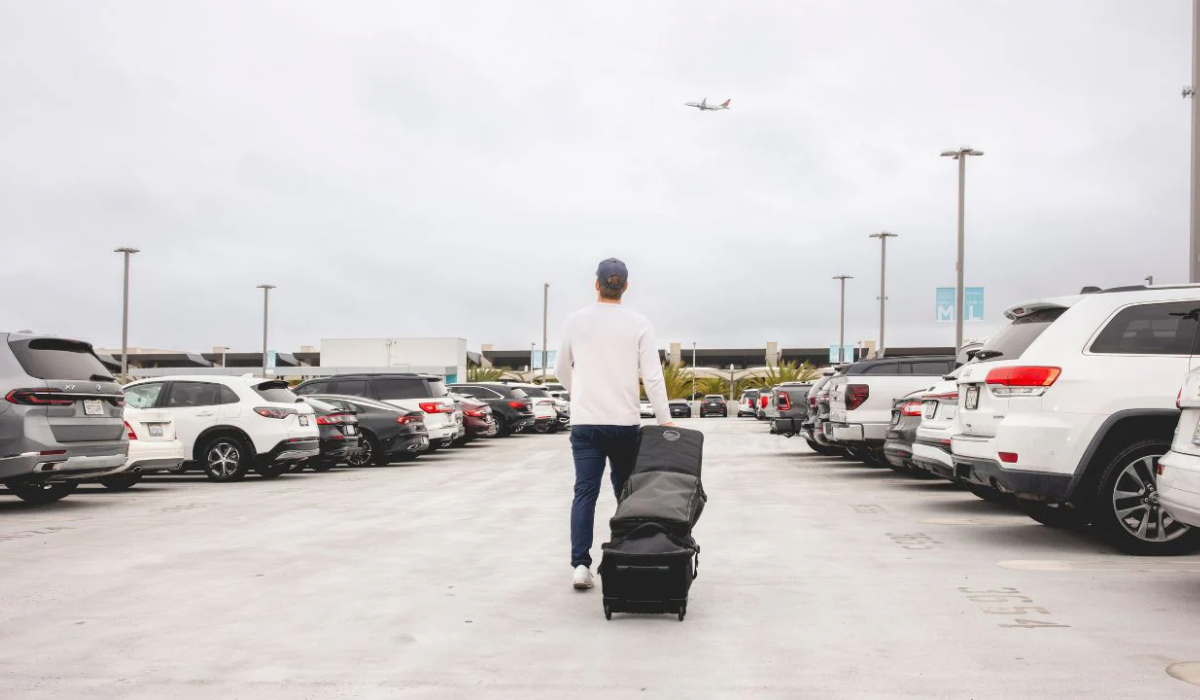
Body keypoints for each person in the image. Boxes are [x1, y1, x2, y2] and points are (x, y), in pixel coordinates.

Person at [556, 258, 675, 590]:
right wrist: (665, 419)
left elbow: (560, 370)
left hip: (586, 423)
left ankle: (581, 565)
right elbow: (653, 377)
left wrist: (579, 393)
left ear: (596, 285)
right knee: (627, 492)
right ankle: (629, 555)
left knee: (585, 492)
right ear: (625, 286)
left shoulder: (574, 321)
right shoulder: (639, 323)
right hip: (624, 424)